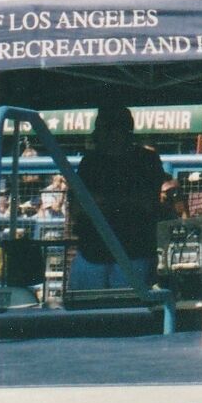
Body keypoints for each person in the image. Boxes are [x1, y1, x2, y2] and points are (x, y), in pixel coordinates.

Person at [69, 106, 164, 290]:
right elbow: (78, 208)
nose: (101, 135)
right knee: (85, 310)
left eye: (106, 129)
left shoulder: (146, 160)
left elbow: (147, 203)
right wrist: (121, 202)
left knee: (129, 310)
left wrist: (104, 201)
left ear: (121, 131)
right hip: (92, 252)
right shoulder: (91, 161)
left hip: (134, 253)